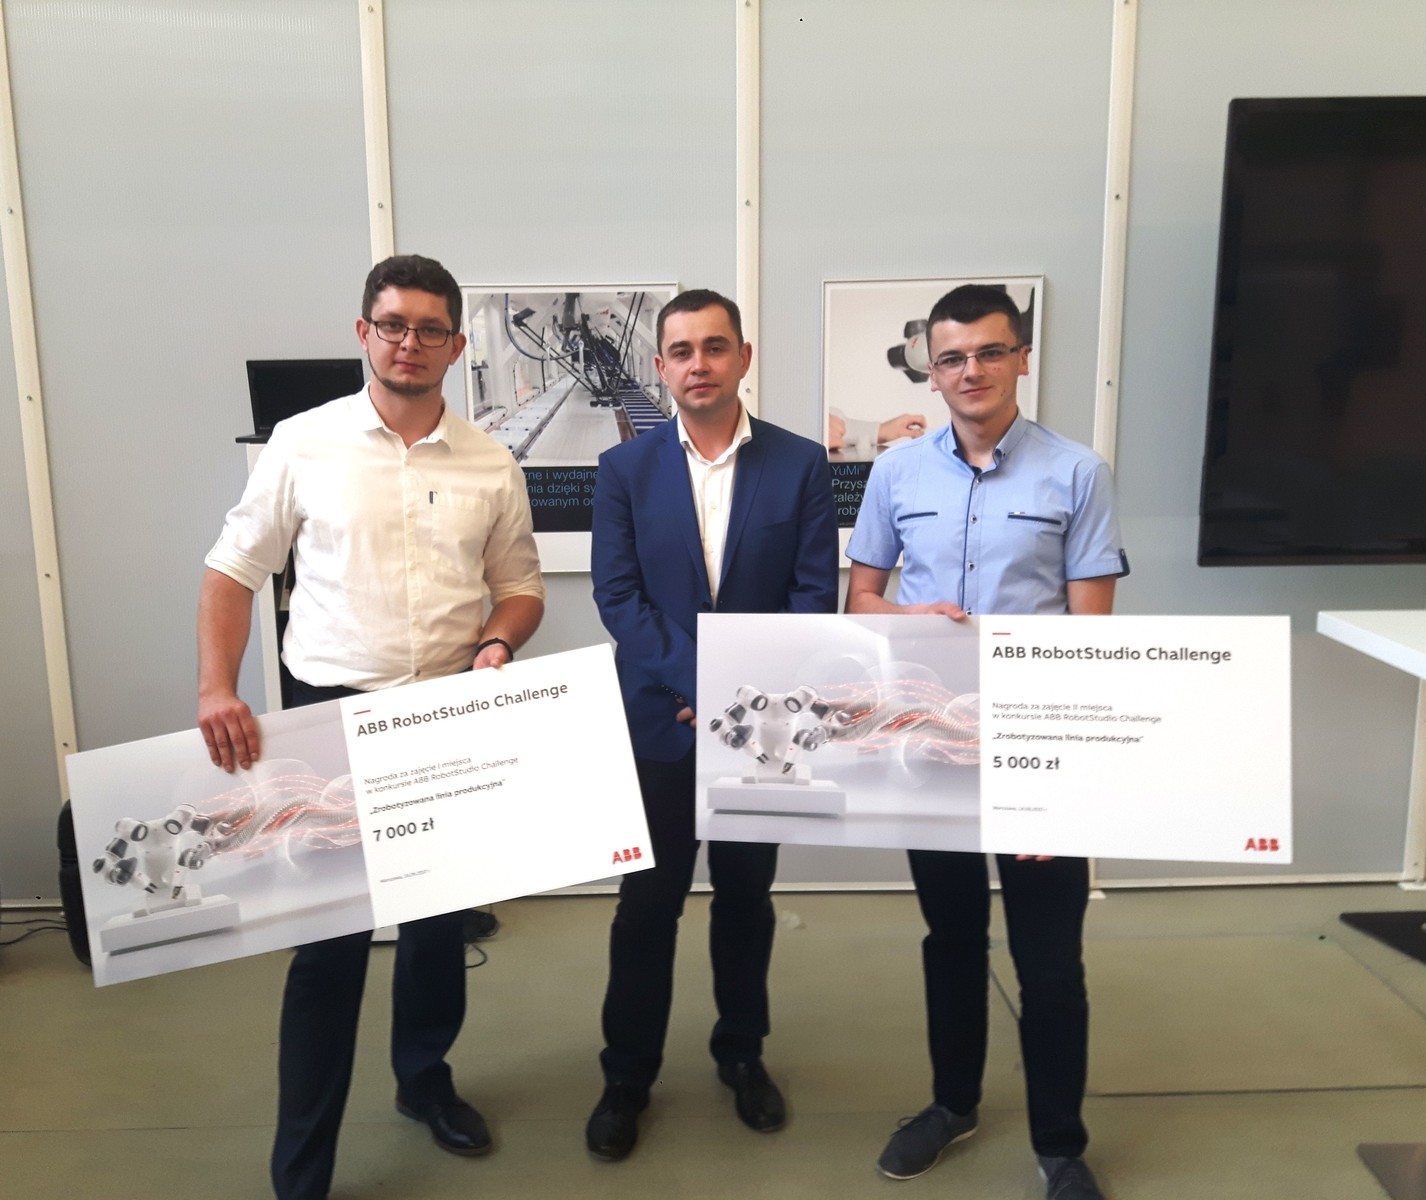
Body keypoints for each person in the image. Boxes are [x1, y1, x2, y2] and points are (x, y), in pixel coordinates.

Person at [197, 254, 545, 1200]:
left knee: (438, 929)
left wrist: (498, 642)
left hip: (443, 714)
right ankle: (302, 1164)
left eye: (430, 329)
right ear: (364, 333)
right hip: (331, 718)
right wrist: (215, 687)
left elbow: (519, 587)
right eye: (393, 325)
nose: (409, 343)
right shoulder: (304, 443)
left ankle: (424, 1082)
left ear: (457, 346)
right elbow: (233, 570)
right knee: (329, 947)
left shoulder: (489, 461)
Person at [845, 284, 1128, 1200]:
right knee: (952, 937)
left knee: (1050, 962)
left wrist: (1065, 781)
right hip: (932, 742)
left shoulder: (1076, 472)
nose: (972, 371)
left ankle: (1061, 1146)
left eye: (990, 352)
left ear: (1021, 358)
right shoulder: (897, 474)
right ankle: (952, 1103)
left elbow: (1089, 639)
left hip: (1036, 743)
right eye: (953, 358)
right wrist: (909, 615)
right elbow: (861, 601)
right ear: (932, 371)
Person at [586, 288, 838, 1160]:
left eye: (715, 346)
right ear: (661, 366)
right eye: (683, 350)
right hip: (660, 722)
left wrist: (738, 696)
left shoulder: (800, 465)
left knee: (745, 901)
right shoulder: (624, 470)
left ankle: (742, 1054)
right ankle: (627, 1075)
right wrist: (703, 681)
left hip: (759, 731)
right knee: (644, 909)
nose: (699, 364)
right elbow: (618, 595)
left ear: (743, 357)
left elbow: (812, 596)